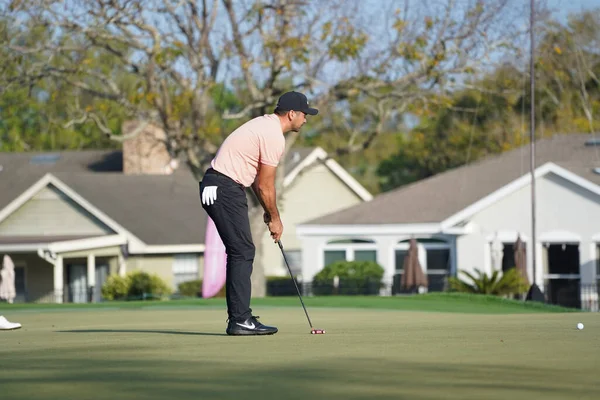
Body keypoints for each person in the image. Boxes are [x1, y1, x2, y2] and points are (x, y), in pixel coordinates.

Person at [199, 91, 318, 336]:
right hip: (224, 187)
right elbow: (265, 185)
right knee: (242, 251)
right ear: (292, 114)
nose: (306, 119)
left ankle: (240, 318)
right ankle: (240, 320)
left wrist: (266, 210)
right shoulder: (274, 136)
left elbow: (256, 180)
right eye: (304, 114)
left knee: (240, 250)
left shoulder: (264, 126)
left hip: (218, 185)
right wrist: (275, 218)